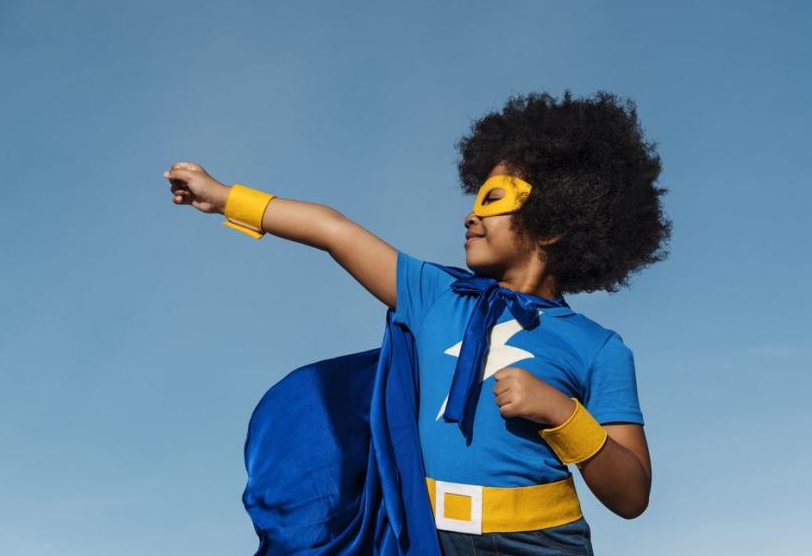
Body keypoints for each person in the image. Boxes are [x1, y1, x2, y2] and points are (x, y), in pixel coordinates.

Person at [162, 91, 669, 555]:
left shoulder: (599, 348)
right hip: (421, 539)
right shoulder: (432, 295)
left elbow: (631, 495)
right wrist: (225, 197)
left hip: (539, 544)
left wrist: (563, 414)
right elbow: (334, 232)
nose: (470, 216)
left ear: (557, 221)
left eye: (492, 199)